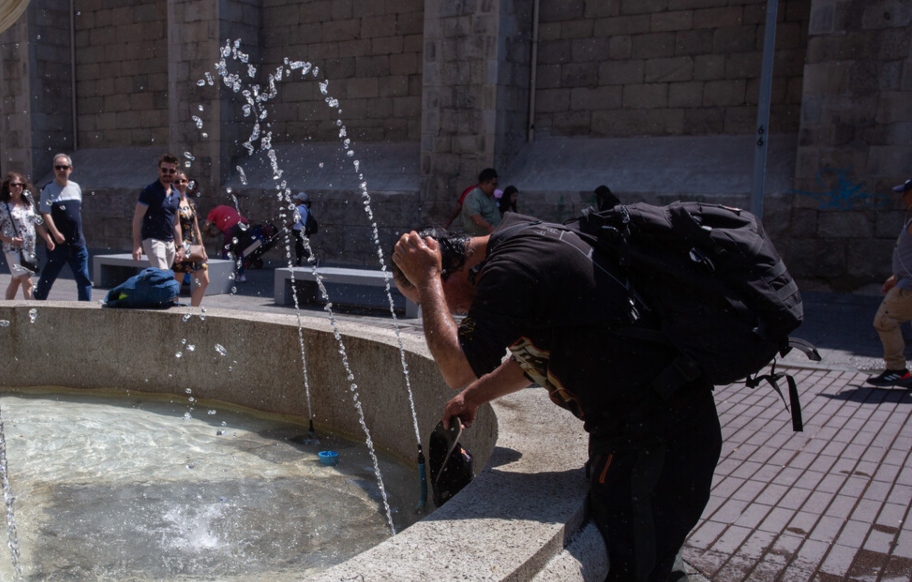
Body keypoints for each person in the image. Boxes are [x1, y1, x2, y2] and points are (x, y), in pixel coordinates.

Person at [391, 215, 721, 582]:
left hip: (655, 440)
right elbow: (533, 358)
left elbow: (454, 367)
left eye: (430, 299)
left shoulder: (508, 270)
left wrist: (426, 278)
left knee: (636, 570)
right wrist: (475, 396)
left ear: (446, 273)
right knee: (645, 554)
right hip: (653, 431)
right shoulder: (517, 242)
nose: (443, 311)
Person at [867, 178, 912, 387]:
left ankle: (896, 369)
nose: (902, 197)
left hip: (909, 287)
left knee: (885, 320)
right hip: (905, 282)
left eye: (905, 192)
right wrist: (896, 277)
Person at [34, 153, 93, 301]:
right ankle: (37, 303)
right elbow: (45, 213)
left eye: (64, 167)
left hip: (78, 244)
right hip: (58, 245)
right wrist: (55, 233)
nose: (61, 170)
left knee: (84, 279)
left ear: (70, 169)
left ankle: (86, 310)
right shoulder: (48, 189)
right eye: (58, 167)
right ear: (54, 169)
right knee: (48, 277)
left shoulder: (76, 188)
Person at [0, 172, 51, 300]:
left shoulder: (28, 203)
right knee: (27, 281)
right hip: (12, 249)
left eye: (20, 184)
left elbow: (36, 223)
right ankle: (31, 314)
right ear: (7, 187)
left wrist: (47, 239)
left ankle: (7, 307)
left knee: (16, 279)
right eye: (13, 185)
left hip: (28, 248)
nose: (17, 187)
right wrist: (10, 240)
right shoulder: (2, 205)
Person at [132, 154, 184, 270]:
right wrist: (136, 245)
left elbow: (176, 223)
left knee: (162, 278)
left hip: (169, 242)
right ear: (159, 170)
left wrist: (180, 247)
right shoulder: (149, 191)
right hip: (153, 239)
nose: (167, 173)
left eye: (171, 171)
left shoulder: (176, 194)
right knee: (163, 273)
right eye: (164, 170)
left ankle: (147, 288)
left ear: (175, 172)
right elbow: (138, 217)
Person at [172, 171, 210, 307]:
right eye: (176, 182)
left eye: (183, 181)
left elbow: (196, 228)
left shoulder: (190, 202)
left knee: (204, 280)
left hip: (193, 247)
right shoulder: (171, 202)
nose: (180, 184)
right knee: (177, 284)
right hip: (179, 247)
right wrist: (178, 247)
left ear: (187, 182)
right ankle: (173, 313)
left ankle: (193, 310)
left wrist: (203, 248)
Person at [460, 168, 500, 235]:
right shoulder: (474, 196)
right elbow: (475, 217)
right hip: (478, 238)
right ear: (484, 183)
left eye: (496, 185)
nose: (495, 187)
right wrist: (489, 227)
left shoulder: (489, 197)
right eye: (493, 184)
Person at [287, 191, 313, 266]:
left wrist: (288, 225)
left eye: (297, 199)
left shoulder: (299, 209)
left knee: (299, 248)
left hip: (300, 231)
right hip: (306, 231)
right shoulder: (308, 209)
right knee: (299, 247)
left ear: (300, 201)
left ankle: (313, 260)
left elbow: (295, 220)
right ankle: (298, 263)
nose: (296, 201)